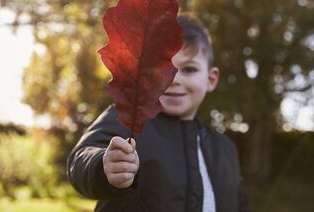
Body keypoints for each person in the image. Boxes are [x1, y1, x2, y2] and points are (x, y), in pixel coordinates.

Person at [67, 14, 251, 212]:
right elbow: (81, 158)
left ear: (211, 79)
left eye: (189, 69)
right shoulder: (127, 119)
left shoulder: (225, 148)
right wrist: (102, 165)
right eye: (163, 69)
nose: (174, 80)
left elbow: (239, 203)